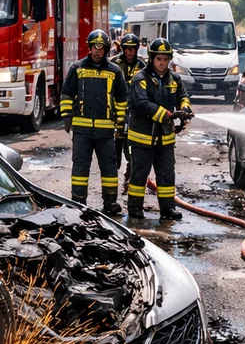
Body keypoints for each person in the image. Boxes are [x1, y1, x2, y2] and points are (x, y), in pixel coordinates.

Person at [60, 29, 127, 215]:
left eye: (101, 48)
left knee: (109, 168)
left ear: (106, 49)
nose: (98, 52)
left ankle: (110, 202)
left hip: (106, 132)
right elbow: (66, 93)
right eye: (95, 48)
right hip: (82, 131)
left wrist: (121, 123)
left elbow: (122, 99)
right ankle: (79, 201)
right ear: (90, 48)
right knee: (80, 166)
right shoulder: (77, 68)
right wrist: (67, 116)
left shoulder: (115, 71)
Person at [127, 37, 192, 221]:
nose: (162, 63)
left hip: (165, 139)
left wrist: (185, 108)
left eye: (165, 59)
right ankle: (135, 209)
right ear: (151, 59)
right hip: (143, 138)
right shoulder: (141, 79)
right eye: (159, 59)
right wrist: (167, 114)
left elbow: (183, 96)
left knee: (166, 175)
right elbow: (142, 104)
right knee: (139, 175)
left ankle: (167, 209)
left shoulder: (175, 79)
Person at [112, 33, 146, 192]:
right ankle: (110, 186)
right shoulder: (114, 64)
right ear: (122, 49)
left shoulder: (143, 66)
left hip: (134, 116)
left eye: (133, 49)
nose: (130, 52)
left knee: (133, 153)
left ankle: (129, 180)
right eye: (127, 49)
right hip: (115, 116)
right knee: (113, 156)